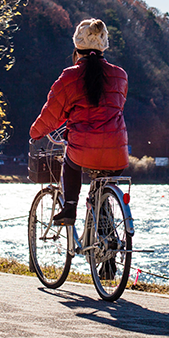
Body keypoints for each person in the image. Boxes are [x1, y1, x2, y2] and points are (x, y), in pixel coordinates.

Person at [30, 18, 129, 226]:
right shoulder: (120, 75)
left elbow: (53, 113)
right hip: (118, 151)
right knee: (102, 190)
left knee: (71, 163)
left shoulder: (70, 76)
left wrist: (36, 133)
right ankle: (105, 230)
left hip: (83, 150)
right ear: (104, 47)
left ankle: (70, 208)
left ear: (77, 46)